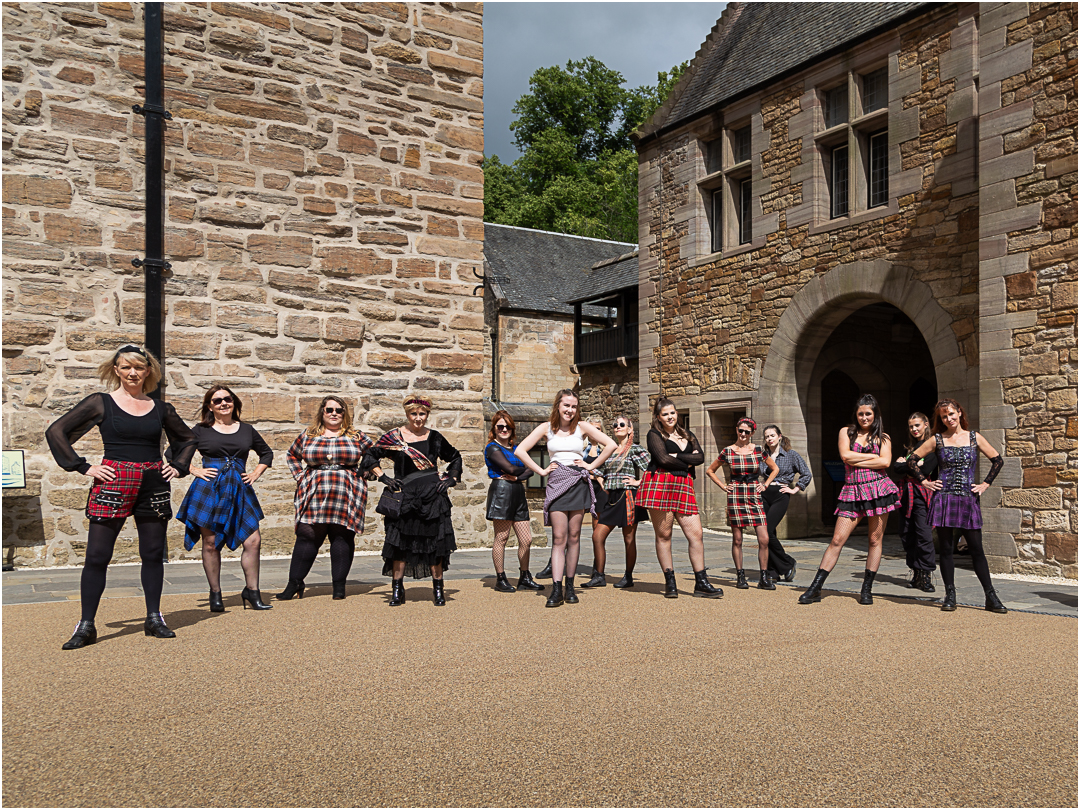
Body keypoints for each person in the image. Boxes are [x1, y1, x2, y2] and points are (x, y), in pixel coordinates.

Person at [45, 345, 196, 649]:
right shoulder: (101, 403)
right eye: (126, 367)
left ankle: (154, 617)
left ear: (148, 371)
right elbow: (56, 431)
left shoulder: (161, 408)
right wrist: (84, 467)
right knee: (97, 556)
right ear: (115, 370)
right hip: (113, 481)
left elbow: (189, 438)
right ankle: (86, 625)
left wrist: (179, 468)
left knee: (153, 553)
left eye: (138, 367)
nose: (132, 373)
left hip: (153, 482)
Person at [175, 385, 274, 612]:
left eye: (227, 399)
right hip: (210, 489)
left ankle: (252, 591)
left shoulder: (247, 430)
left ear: (234, 402)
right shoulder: (200, 430)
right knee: (210, 544)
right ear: (210, 406)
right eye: (217, 400)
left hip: (239, 489)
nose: (223, 403)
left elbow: (266, 453)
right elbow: (173, 452)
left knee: (253, 541)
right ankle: (216, 593)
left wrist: (256, 473)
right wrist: (194, 470)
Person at [515, 389, 616, 607]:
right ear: (558, 406)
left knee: (574, 536)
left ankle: (570, 587)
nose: (570, 410)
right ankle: (556, 588)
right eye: (566, 405)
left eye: (573, 406)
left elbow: (611, 445)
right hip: (556, 483)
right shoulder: (546, 428)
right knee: (559, 537)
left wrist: (590, 466)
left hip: (578, 482)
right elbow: (520, 450)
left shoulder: (582, 427)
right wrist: (541, 471)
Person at [798, 394, 900, 606]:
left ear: (875, 415)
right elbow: (845, 456)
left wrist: (861, 458)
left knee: (874, 540)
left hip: (879, 490)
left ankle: (866, 589)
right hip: (852, 491)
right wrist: (874, 458)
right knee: (837, 540)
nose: (864, 417)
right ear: (856, 414)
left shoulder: (884, 438)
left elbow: (887, 461)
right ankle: (816, 587)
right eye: (861, 413)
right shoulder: (846, 432)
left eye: (868, 414)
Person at [907, 399, 1007, 613]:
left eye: (951, 414)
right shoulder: (937, 439)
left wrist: (985, 484)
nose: (949, 419)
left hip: (967, 499)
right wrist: (925, 482)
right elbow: (911, 460)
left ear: (959, 412)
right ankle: (950, 594)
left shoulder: (974, 437)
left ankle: (991, 596)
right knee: (945, 549)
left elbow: (998, 460)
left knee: (977, 549)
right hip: (944, 499)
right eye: (944, 416)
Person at [278, 396, 382, 602]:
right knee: (307, 533)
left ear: (345, 414)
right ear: (322, 412)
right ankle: (295, 583)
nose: (334, 413)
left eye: (339, 410)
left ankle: (339, 586)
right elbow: (292, 455)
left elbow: (373, 456)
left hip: (347, 491)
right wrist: (300, 476)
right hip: (314, 491)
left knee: (342, 535)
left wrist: (365, 474)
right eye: (330, 410)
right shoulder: (308, 435)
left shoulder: (356, 435)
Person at [365, 395, 462, 607]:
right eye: (414, 414)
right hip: (405, 499)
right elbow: (370, 456)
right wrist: (383, 477)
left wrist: (450, 479)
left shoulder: (435, 438)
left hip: (433, 498)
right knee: (399, 544)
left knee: (436, 544)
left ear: (427, 415)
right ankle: (397, 591)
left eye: (422, 414)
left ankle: (438, 590)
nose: (418, 418)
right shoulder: (394, 438)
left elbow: (455, 457)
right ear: (407, 414)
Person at [636, 397, 723, 599]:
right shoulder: (654, 434)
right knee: (664, 535)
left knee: (696, 534)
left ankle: (701, 582)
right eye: (665, 414)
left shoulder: (687, 433)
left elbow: (700, 458)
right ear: (658, 416)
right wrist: (685, 461)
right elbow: (663, 459)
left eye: (672, 412)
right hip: (661, 485)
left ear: (677, 413)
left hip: (683, 485)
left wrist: (677, 458)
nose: (670, 417)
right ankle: (670, 582)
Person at [707, 418, 779, 590]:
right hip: (736, 495)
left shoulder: (758, 450)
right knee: (737, 539)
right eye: (741, 430)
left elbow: (774, 468)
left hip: (754, 493)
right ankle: (740, 576)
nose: (743, 434)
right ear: (737, 430)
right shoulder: (728, 451)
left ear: (752, 433)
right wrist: (724, 486)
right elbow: (710, 470)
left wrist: (766, 484)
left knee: (764, 539)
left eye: (747, 431)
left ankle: (764, 578)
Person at [581, 414, 650, 589]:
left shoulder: (634, 449)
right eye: (614, 425)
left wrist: (637, 482)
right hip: (611, 498)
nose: (617, 427)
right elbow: (597, 469)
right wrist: (601, 480)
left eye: (621, 424)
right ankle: (599, 576)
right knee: (597, 536)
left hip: (627, 497)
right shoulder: (609, 449)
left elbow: (652, 471)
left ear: (629, 429)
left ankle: (628, 576)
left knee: (628, 538)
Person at [484, 410, 543, 593]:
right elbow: (510, 467)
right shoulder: (492, 448)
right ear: (494, 428)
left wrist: (517, 477)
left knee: (526, 539)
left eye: (507, 426)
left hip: (517, 491)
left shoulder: (517, 448)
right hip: (501, 492)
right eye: (500, 426)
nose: (504, 429)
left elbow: (530, 470)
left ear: (512, 428)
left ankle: (525, 576)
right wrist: (519, 470)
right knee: (501, 538)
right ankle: (501, 578)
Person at [891, 412, 938, 593]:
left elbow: (926, 468)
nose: (914, 429)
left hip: (922, 494)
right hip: (905, 495)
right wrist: (908, 466)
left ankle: (926, 575)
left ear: (926, 424)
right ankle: (916, 573)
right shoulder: (908, 448)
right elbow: (896, 468)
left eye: (917, 425)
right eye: (911, 426)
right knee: (906, 534)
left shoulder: (932, 446)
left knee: (923, 535)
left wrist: (906, 465)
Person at [759, 424, 812, 583]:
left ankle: (788, 562)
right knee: (767, 534)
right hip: (764, 494)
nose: (769, 439)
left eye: (772, 435)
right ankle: (773, 571)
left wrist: (795, 489)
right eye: (767, 436)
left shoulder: (790, 455)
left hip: (780, 495)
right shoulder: (763, 456)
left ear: (779, 436)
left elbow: (806, 473)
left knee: (766, 530)